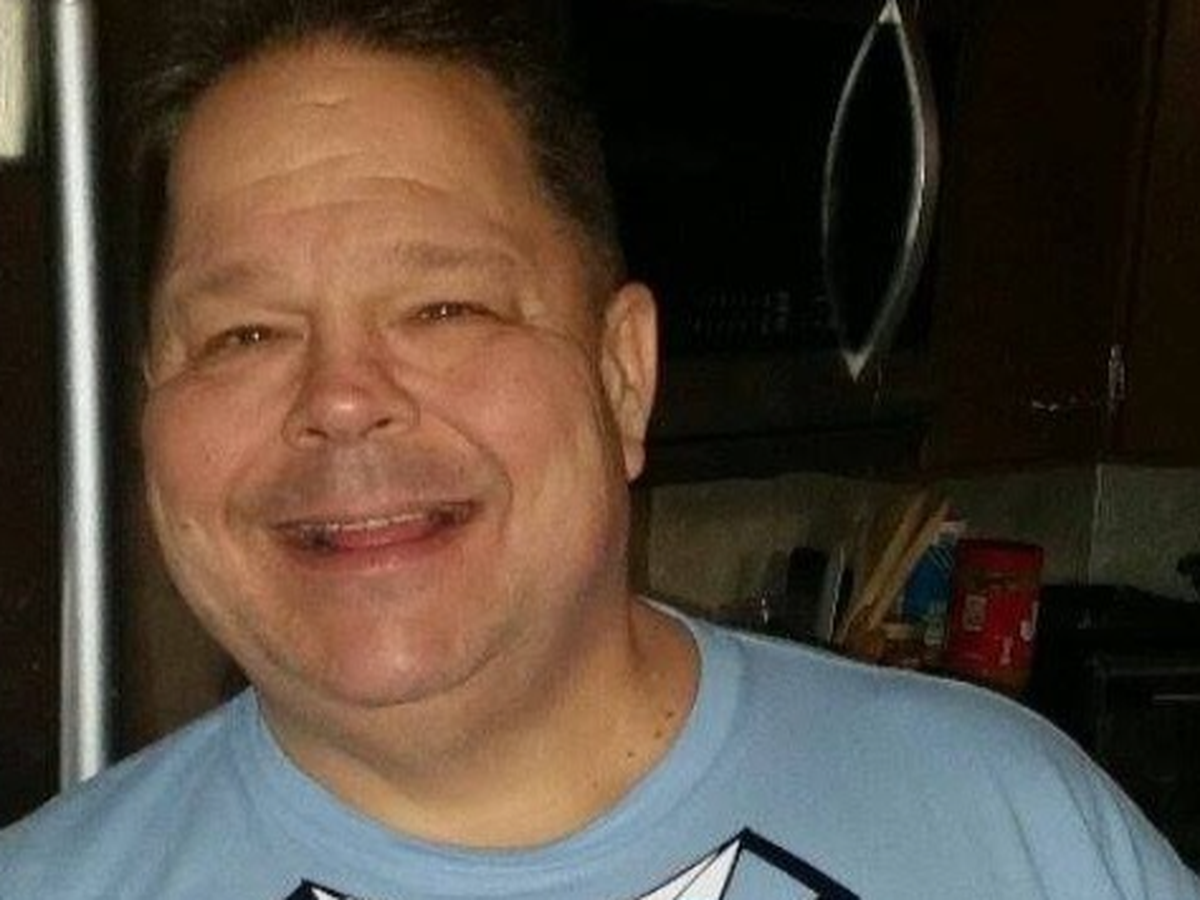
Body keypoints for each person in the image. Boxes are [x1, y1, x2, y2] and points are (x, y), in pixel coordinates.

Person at [1, 0, 1197, 897]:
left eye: (446, 308)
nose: (343, 399)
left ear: (623, 375)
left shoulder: (1010, 831)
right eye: (244, 333)